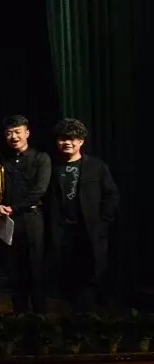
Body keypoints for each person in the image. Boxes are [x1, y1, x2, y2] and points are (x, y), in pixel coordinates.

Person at [46, 118, 119, 313]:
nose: (67, 143)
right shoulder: (50, 166)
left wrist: (104, 221)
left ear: (81, 141)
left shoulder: (96, 166)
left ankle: (87, 320)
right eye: (62, 139)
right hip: (62, 233)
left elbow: (111, 195)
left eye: (72, 139)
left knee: (91, 278)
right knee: (66, 281)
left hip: (89, 232)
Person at [0, 115, 51, 314]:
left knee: (35, 267)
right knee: (13, 269)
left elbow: (39, 190)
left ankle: (40, 316)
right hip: (7, 218)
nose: (13, 137)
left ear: (27, 133)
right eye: (9, 133)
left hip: (31, 218)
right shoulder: (2, 160)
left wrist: (14, 207)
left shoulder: (41, 158)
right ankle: (19, 314)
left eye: (17, 132)